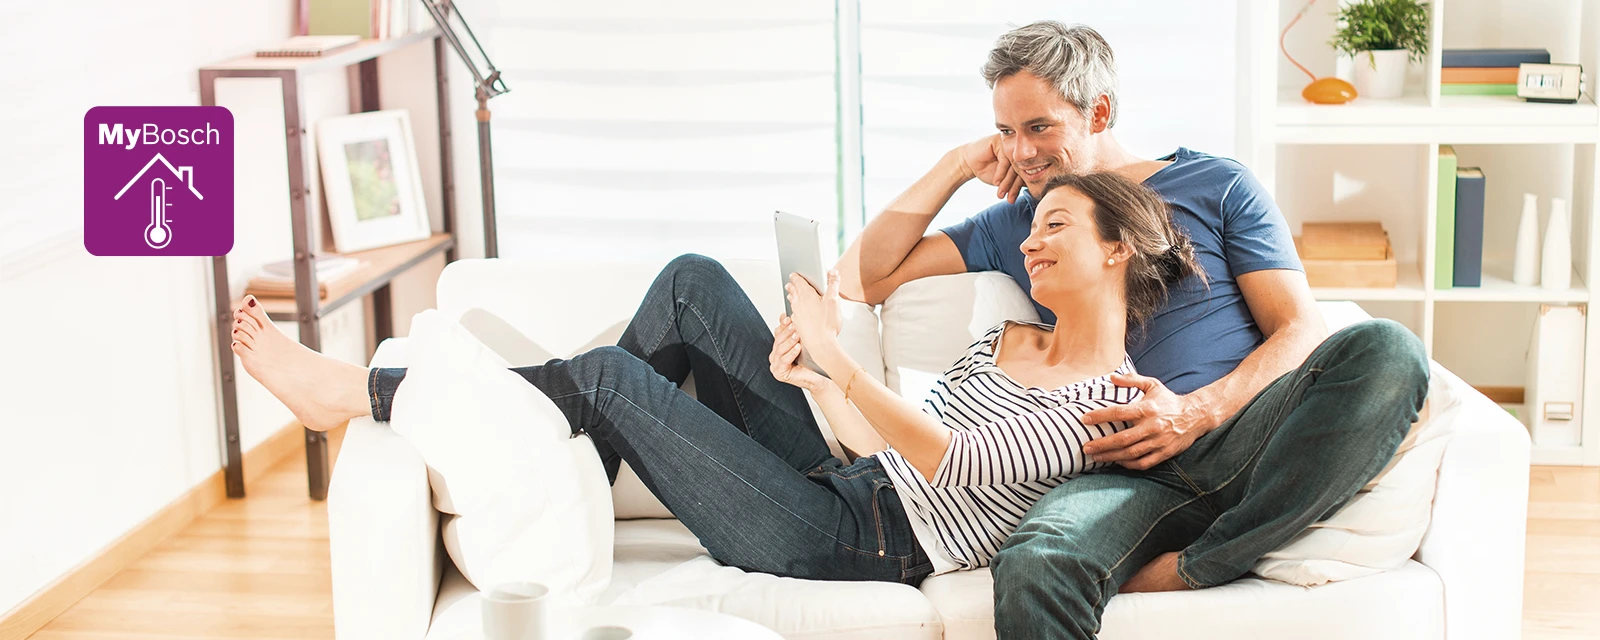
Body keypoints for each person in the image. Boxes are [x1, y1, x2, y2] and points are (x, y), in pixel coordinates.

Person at [228, 172, 1200, 585]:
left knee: (609, 377)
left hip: (858, 543)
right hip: (849, 481)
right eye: (1030, 225)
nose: (1030, 239)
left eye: (1058, 226)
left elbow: (952, 462)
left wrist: (840, 361)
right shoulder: (1004, 342)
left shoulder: (1107, 404)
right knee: (695, 285)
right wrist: (813, 379)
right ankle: (522, 426)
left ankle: (363, 395)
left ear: (1118, 253)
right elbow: (877, 447)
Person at [831, 21, 1429, 637]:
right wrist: (956, 165)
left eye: (1040, 127)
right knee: (1039, 562)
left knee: (1388, 350)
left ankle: (1207, 560)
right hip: (1122, 472)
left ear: (1100, 112)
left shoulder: (1215, 184)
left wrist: (1198, 410)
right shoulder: (1025, 222)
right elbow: (866, 278)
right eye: (1006, 132)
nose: (1021, 153)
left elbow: (1302, 328)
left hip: (1243, 432)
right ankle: (1199, 551)